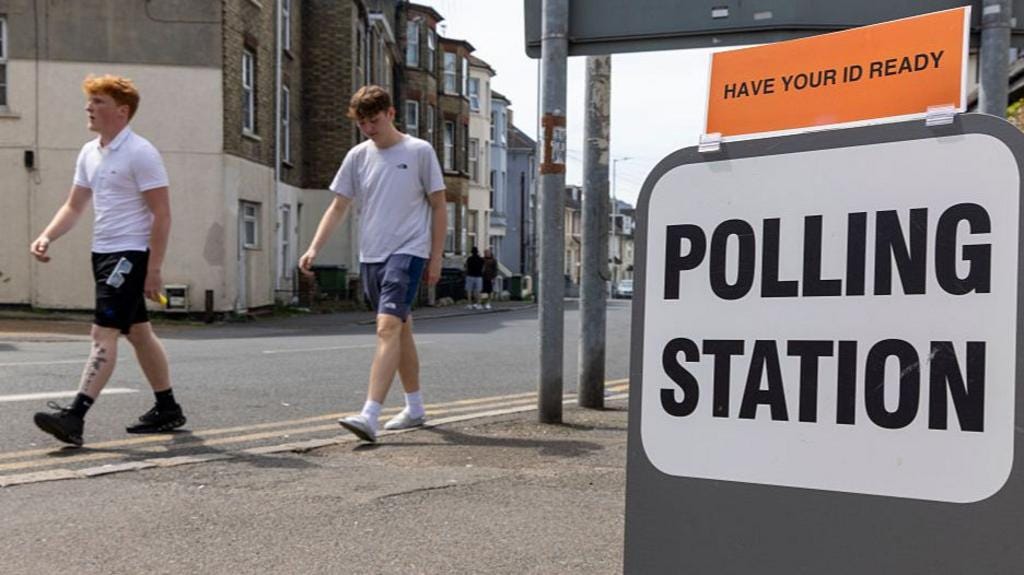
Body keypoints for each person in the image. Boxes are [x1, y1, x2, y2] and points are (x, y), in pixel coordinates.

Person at [30, 75, 186, 446]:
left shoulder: (141, 152)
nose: (89, 107)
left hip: (128, 255)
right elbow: (75, 204)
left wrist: (154, 269)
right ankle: (168, 408)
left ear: (121, 111)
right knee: (138, 333)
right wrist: (47, 235)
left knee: (103, 333)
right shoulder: (89, 152)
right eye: (89, 101)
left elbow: (162, 214)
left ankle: (75, 416)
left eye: (98, 101)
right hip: (102, 253)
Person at [299, 85, 446, 443]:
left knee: (386, 329)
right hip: (371, 255)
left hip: (407, 251)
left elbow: (440, 205)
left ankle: (370, 415)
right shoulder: (358, 156)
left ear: (391, 114)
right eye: (363, 123)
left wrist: (435, 257)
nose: (369, 129)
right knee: (401, 330)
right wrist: (314, 248)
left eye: (375, 120)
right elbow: (338, 206)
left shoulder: (418, 151)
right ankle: (414, 407)